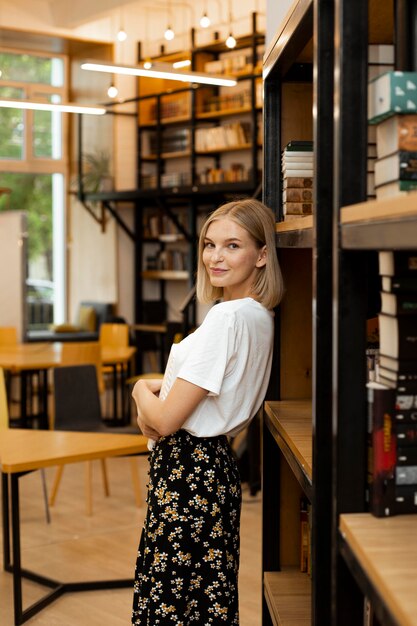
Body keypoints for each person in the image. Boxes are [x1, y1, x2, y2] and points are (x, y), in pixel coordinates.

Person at [131, 198, 284, 625]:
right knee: (204, 602)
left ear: (262, 255)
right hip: (214, 469)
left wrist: (141, 388)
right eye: (210, 244)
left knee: (169, 606)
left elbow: (161, 421)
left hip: (187, 472)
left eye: (233, 246)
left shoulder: (226, 319)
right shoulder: (261, 317)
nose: (215, 257)